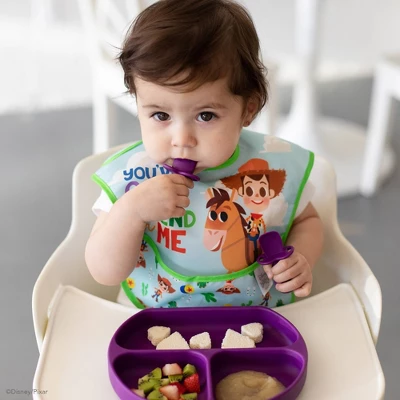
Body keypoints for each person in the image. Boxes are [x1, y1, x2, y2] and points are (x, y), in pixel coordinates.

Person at [85, 0, 324, 310]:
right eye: (160, 115)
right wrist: (131, 212)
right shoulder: (132, 178)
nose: (181, 140)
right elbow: (103, 272)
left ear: (248, 110)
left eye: (206, 116)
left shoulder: (270, 169)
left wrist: (300, 257)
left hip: (256, 318)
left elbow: (307, 221)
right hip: (151, 316)